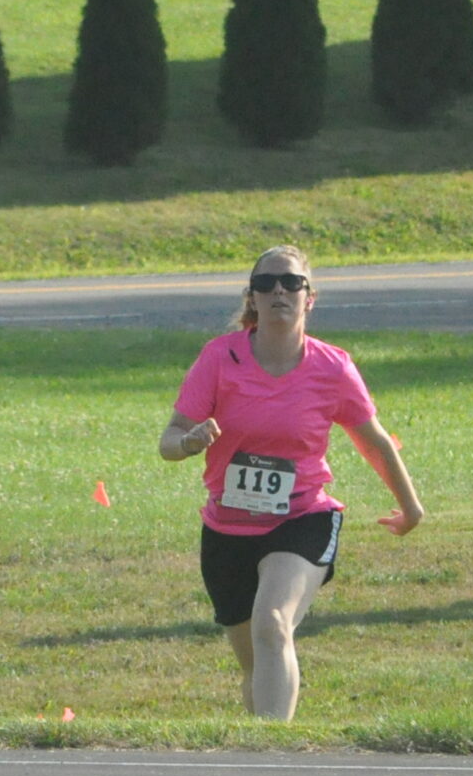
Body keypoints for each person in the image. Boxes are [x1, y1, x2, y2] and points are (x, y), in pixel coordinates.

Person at [161, 246, 424, 720]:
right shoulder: (221, 358)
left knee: (273, 624)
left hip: (303, 518)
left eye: (291, 283)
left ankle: (274, 754)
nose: (278, 291)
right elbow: (169, 438)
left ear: (310, 298)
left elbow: (375, 443)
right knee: (254, 662)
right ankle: (261, 749)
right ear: (252, 299)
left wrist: (411, 507)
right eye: (266, 284)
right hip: (226, 528)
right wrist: (190, 442)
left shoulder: (332, 367)